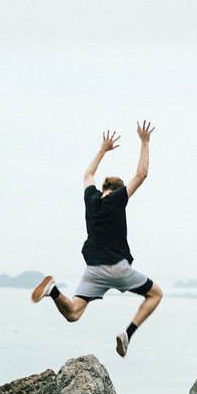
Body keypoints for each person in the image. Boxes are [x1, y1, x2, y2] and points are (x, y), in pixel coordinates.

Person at [31, 120, 162, 358]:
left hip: (93, 270)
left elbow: (88, 174)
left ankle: (53, 291)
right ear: (119, 190)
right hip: (118, 268)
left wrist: (102, 149)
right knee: (155, 294)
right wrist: (144, 142)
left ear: (103, 188)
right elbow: (141, 174)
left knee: (73, 313)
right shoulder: (118, 199)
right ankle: (128, 334)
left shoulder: (90, 199)